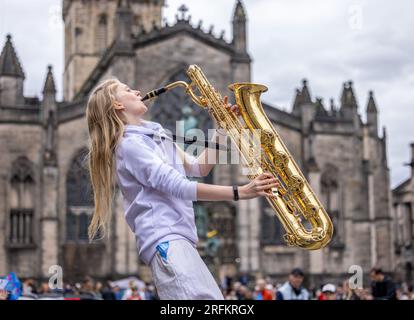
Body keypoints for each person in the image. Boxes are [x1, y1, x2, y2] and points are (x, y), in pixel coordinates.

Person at [85, 79, 280, 300]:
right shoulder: (130, 145)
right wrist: (241, 192)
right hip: (165, 238)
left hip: (180, 238)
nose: (138, 90)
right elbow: (178, 186)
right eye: (128, 90)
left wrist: (221, 129)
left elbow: (199, 167)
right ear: (117, 105)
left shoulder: (155, 134)